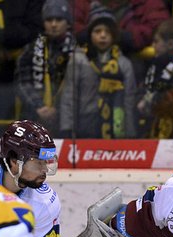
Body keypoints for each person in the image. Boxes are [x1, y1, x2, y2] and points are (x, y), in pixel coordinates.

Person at [58, 3, 137, 139]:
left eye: (108, 32)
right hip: (85, 125)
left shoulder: (124, 64)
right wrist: (67, 128)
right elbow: (70, 97)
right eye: (98, 31)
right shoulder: (79, 59)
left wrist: (130, 133)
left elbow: (129, 101)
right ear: (90, 34)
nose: (103, 36)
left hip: (116, 126)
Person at [14, 0, 76, 134]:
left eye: (59, 19)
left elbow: (79, 88)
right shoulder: (30, 50)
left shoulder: (78, 51)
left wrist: (58, 108)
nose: (53, 24)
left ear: (68, 22)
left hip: (68, 121)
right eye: (49, 19)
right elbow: (22, 83)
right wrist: (39, 106)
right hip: (34, 119)